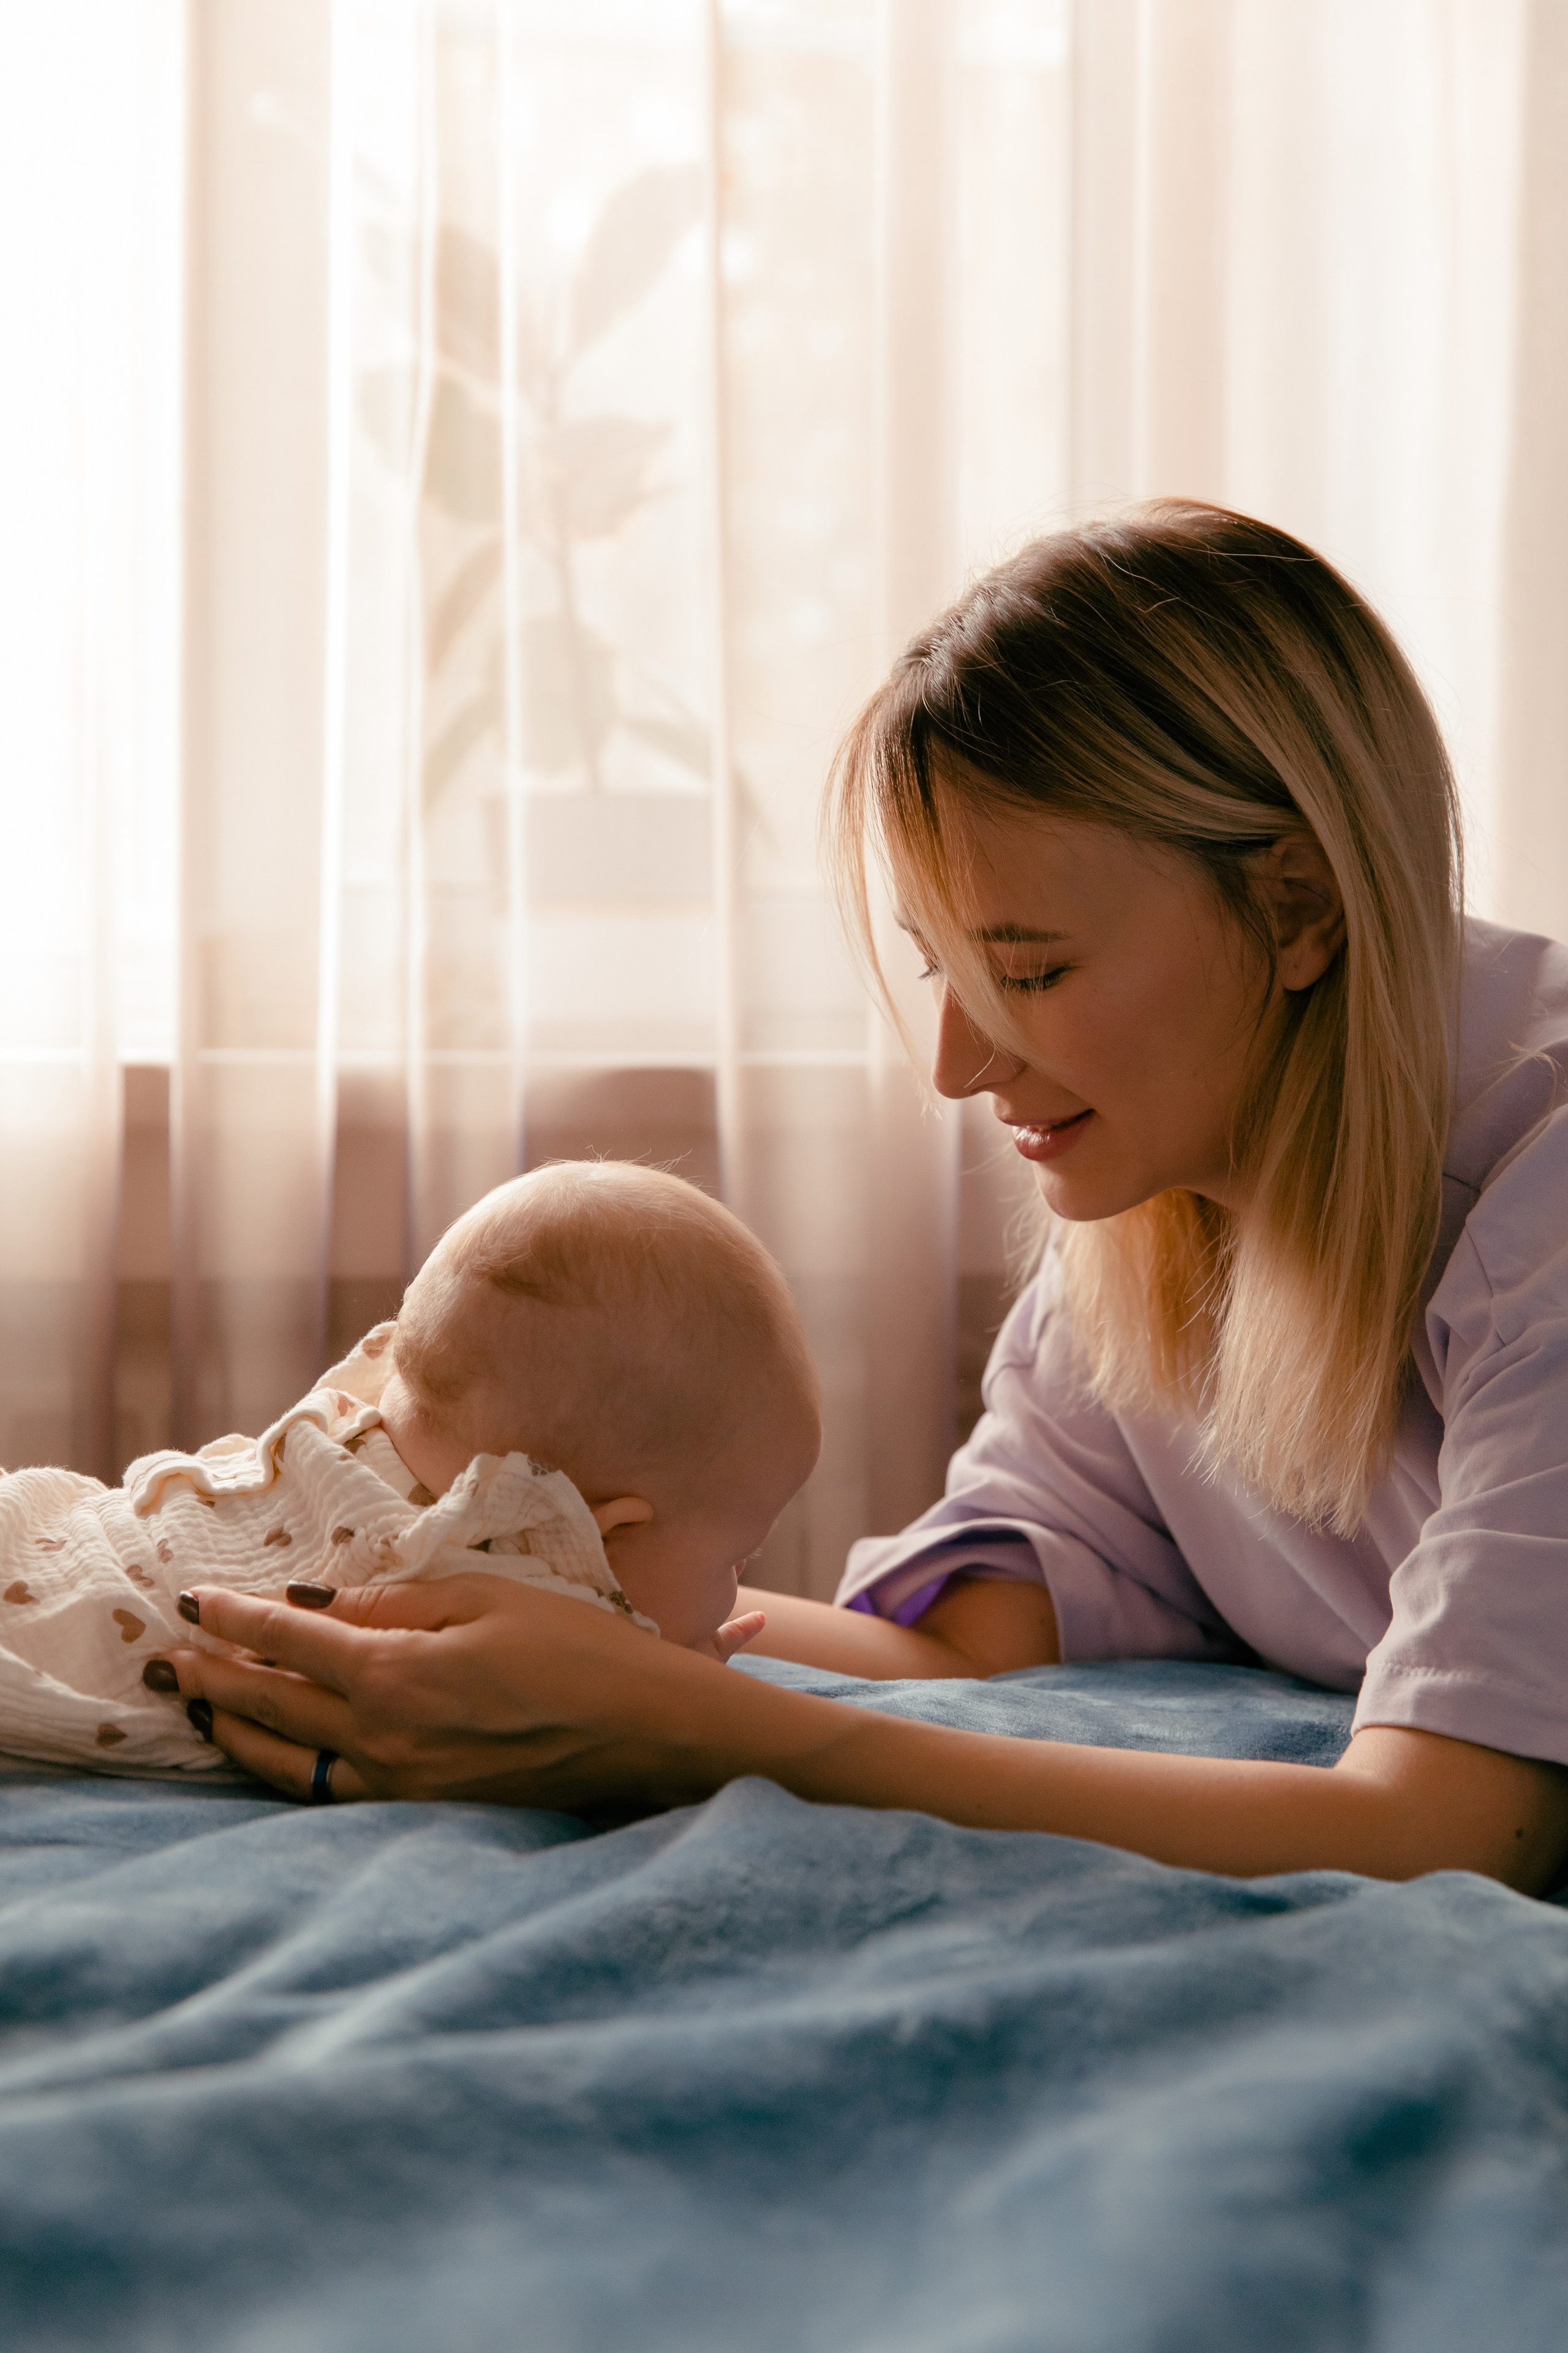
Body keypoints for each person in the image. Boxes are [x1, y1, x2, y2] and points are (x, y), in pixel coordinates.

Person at [148, 502, 1568, 1894]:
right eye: (941, 965)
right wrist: (519, 1605)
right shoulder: (1157, 1210)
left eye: (1029, 972)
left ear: (1296, 909)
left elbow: (1447, 1830)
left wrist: (680, 1722)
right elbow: (965, 1652)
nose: (955, 1065)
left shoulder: (1539, 1206)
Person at [2, 1162, 817, 1774]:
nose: (742, 1578)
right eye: (735, 1557)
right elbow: (617, 1716)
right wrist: (677, 1679)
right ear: (603, 1533)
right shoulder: (488, 1560)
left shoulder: (356, 1416)